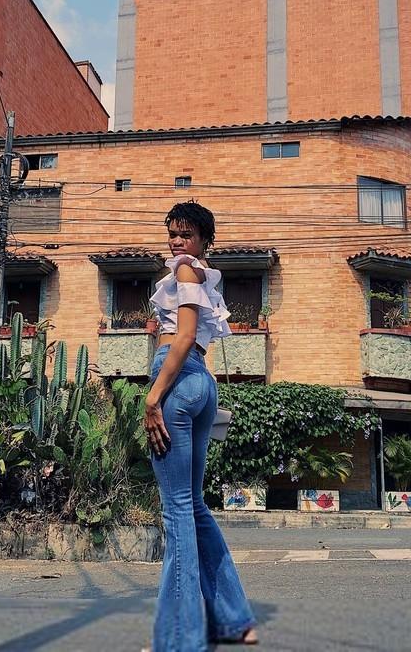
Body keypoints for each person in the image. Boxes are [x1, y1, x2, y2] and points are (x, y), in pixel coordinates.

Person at [143, 201, 258, 651]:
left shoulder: (187, 271)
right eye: (172, 233)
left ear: (204, 240)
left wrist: (153, 396)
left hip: (177, 379)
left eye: (186, 234)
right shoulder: (205, 275)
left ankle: (179, 638)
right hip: (202, 384)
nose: (177, 241)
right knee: (193, 507)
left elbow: (186, 335)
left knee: (176, 512)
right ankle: (234, 620)